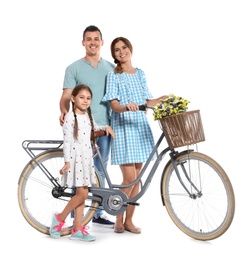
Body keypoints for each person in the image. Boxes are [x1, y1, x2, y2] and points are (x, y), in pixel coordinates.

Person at [102, 37, 168, 234]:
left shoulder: (140, 73)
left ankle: (129, 220)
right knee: (129, 178)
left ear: (130, 49)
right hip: (123, 127)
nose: (121, 52)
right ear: (113, 55)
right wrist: (125, 107)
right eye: (117, 50)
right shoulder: (114, 75)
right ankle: (118, 219)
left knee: (137, 179)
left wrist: (163, 99)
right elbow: (113, 105)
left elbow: (147, 100)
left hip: (140, 126)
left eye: (124, 48)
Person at [59, 25, 115, 226]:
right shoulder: (73, 68)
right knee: (78, 167)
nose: (92, 42)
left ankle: (97, 212)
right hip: (81, 126)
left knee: (100, 170)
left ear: (102, 42)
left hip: (104, 126)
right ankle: (76, 215)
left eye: (96, 39)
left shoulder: (110, 68)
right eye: (88, 39)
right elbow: (66, 95)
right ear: (83, 42)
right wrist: (64, 110)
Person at [50, 85, 115, 241]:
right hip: (76, 160)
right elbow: (67, 140)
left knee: (82, 194)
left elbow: (92, 130)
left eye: (88, 98)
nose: (85, 101)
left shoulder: (87, 115)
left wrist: (105, 127)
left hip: (86, 160)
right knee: (83, 193)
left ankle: (77, 229)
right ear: (73, 98)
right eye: (82, 97)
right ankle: (59, 218)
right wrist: (66, 162)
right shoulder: (70, 117)